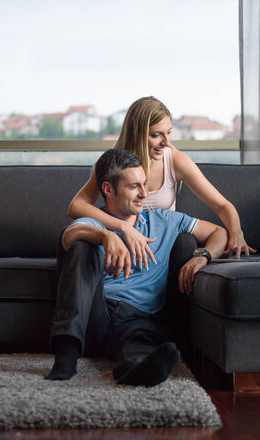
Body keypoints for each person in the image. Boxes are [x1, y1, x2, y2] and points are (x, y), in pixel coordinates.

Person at [46, 149, 229, 387]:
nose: (144, 193)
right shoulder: (94, 221)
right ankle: (66, 356)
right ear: (108, 189)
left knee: (140, 342)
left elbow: (219, 232)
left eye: (144, 184)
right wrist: (105, 235)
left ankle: (136, 368)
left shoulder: (164, 220)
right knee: (81, 245)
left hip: (135, 317)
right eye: (134, 186)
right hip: (93, 314)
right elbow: (70, 234)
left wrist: (202, 256)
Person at [68, 96, 255, 279]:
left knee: (185, 242)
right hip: (123, 245)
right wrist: (124, 228)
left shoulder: (175, 160)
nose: (166, 142)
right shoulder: (115, 164)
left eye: (169, 132)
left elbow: (222, 205)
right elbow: (76, 206)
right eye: (156, 135)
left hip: (162, 250)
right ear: (137, 134)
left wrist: (236, 233)